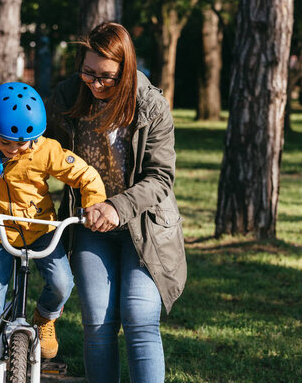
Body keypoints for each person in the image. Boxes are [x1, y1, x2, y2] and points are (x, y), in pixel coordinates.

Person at [45, 22, 187, 383]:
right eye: (88, 73)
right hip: (91, 226)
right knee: (98, 322)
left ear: (125, 71)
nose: (95, 84)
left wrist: (116, 207)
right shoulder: (68, 96)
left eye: (106, 77)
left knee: (139, 318)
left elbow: (160, 178)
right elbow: (37, 143)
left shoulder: (151, 105)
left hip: (146, 228)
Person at [0, 82, 106, 383]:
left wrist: (93, 204)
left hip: (40, 229)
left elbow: (85, 174)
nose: (16, 149)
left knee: (61, 283)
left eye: (24, 143)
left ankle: (43, 318)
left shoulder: (45, 150)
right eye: (6, 143)